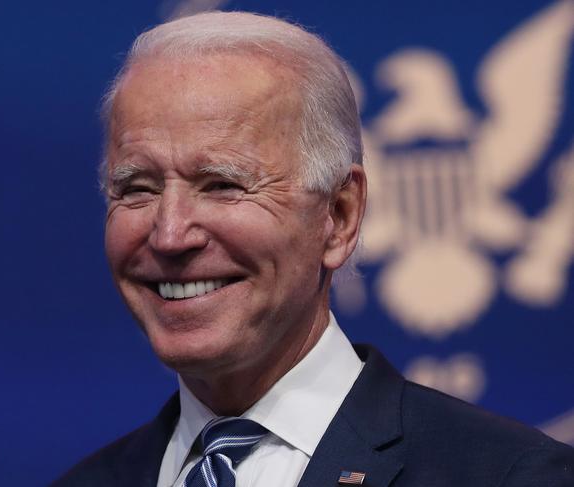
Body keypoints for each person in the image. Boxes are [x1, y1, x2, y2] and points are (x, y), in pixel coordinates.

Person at [52, 11, 574, 487]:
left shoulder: (509, 475)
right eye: (137, 188)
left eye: (222, 185)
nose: (169, 235)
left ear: (339, 216)